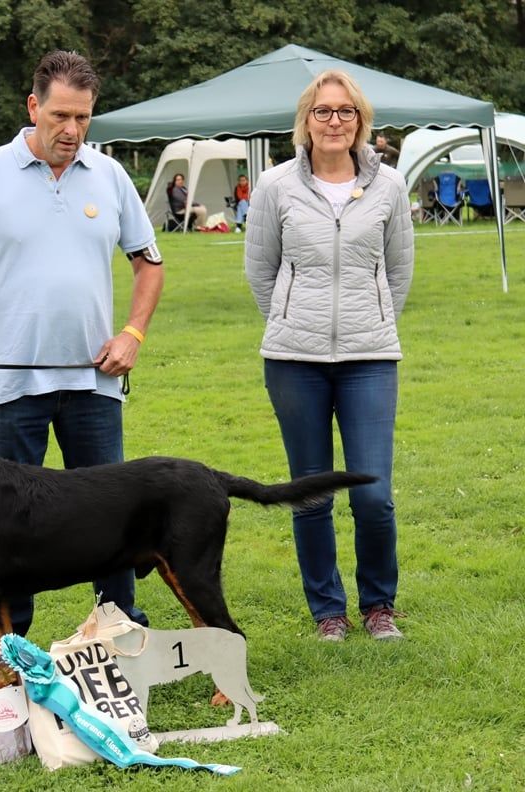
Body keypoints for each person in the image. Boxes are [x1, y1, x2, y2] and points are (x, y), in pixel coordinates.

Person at [0, 50, 164, 637]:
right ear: (33, 107)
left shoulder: (109, 176)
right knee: (4, 522)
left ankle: (120, 631)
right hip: (10, 387)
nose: (72, 131)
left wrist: (132, 333)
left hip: (93, 383)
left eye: (83, 118)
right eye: (60, 116)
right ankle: (14, 647)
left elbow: (149, 264)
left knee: (114, 516)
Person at [244, 70, 414, 642]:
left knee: (373, 494)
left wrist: (373, 319)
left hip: (370, 358)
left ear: (361, 121)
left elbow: (399, 271)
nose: (334, 121)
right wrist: (293, 321)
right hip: (295, 361)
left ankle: (378, 605)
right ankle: (328, 612)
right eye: (323, 112)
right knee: (310, 492)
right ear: (306, 121)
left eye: (345, 112)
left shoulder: (389, 187)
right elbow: (261, 269)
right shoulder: (274, 186)